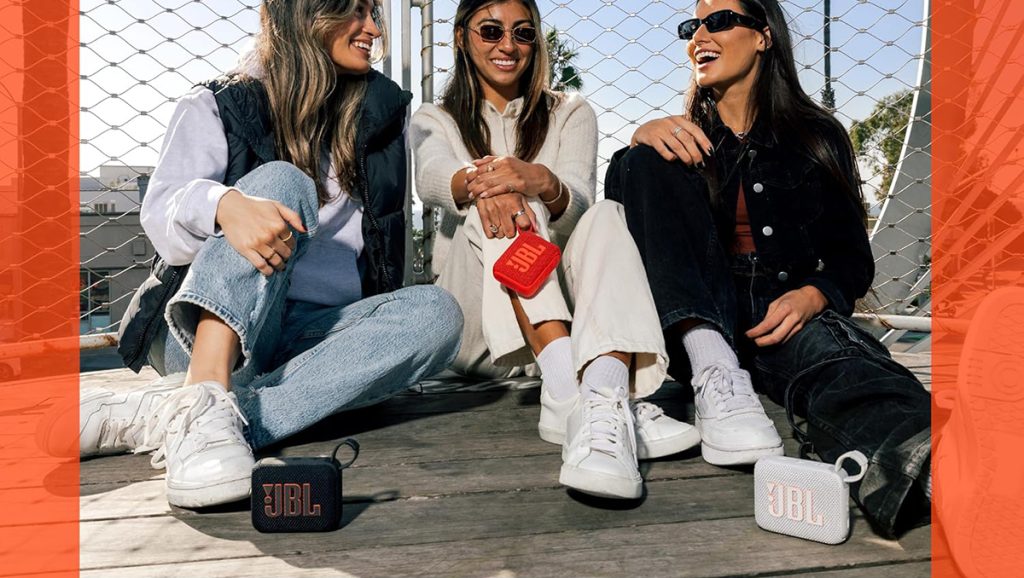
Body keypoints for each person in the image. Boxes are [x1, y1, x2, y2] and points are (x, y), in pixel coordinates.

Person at [40, 0, 463, 509]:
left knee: (437, 314)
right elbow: (161, 216)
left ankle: (179, 413)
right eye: (357, 11)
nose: (373, 28)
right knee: (282, 181)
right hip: (204, 332)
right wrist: (225, 204)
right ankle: (207, 387)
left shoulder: (378, 114)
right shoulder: (221, 103)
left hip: (317, 338)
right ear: (308, 13)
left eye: (375, 12)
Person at [606, 0, 930, 535]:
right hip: (697, 324)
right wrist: (639, 143)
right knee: (640, 162)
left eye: (720, 20)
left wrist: (815, 295)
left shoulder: (816, 136)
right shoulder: (676, 143)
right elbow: (632, 221)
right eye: (692, 26)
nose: (700, 34)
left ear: (763, 37)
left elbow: (853, 258)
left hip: (783, 313)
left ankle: (929, 466)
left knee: (841, 361)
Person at [410, 0, 699, 500]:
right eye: (490, 30)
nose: (508, 45)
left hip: (564, 322)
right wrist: (497, 181)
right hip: (479, 326)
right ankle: (585, 395)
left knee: (608, 214)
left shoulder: (570, 111)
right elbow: (433, 179)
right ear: (461, 36)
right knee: (496, 199)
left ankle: (585, 394)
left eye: (523, 33)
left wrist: (541, 180)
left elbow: (581, 206)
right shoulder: (433, 117)